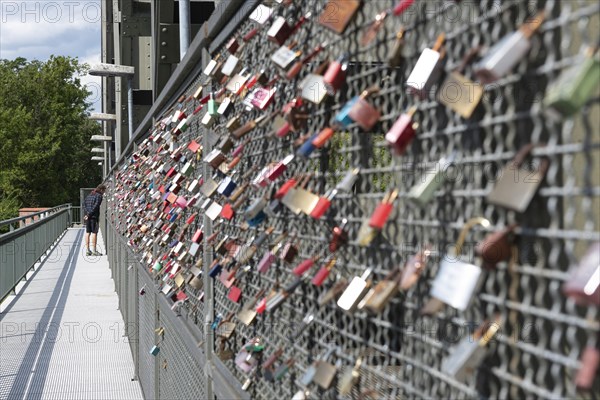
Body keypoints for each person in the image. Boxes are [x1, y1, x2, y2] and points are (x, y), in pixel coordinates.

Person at [83, 184, 106, 256]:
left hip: (88, 217)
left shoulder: (90, 195)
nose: (104, 192)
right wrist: (89, 214)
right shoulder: (99, 196)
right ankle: (94, 251)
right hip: (94, 217)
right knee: (94, 233)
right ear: (101, 190)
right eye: (104, 191)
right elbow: (96, 206)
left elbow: (84, 204)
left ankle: (87, 250)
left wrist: (87, 213)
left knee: (87, 232)